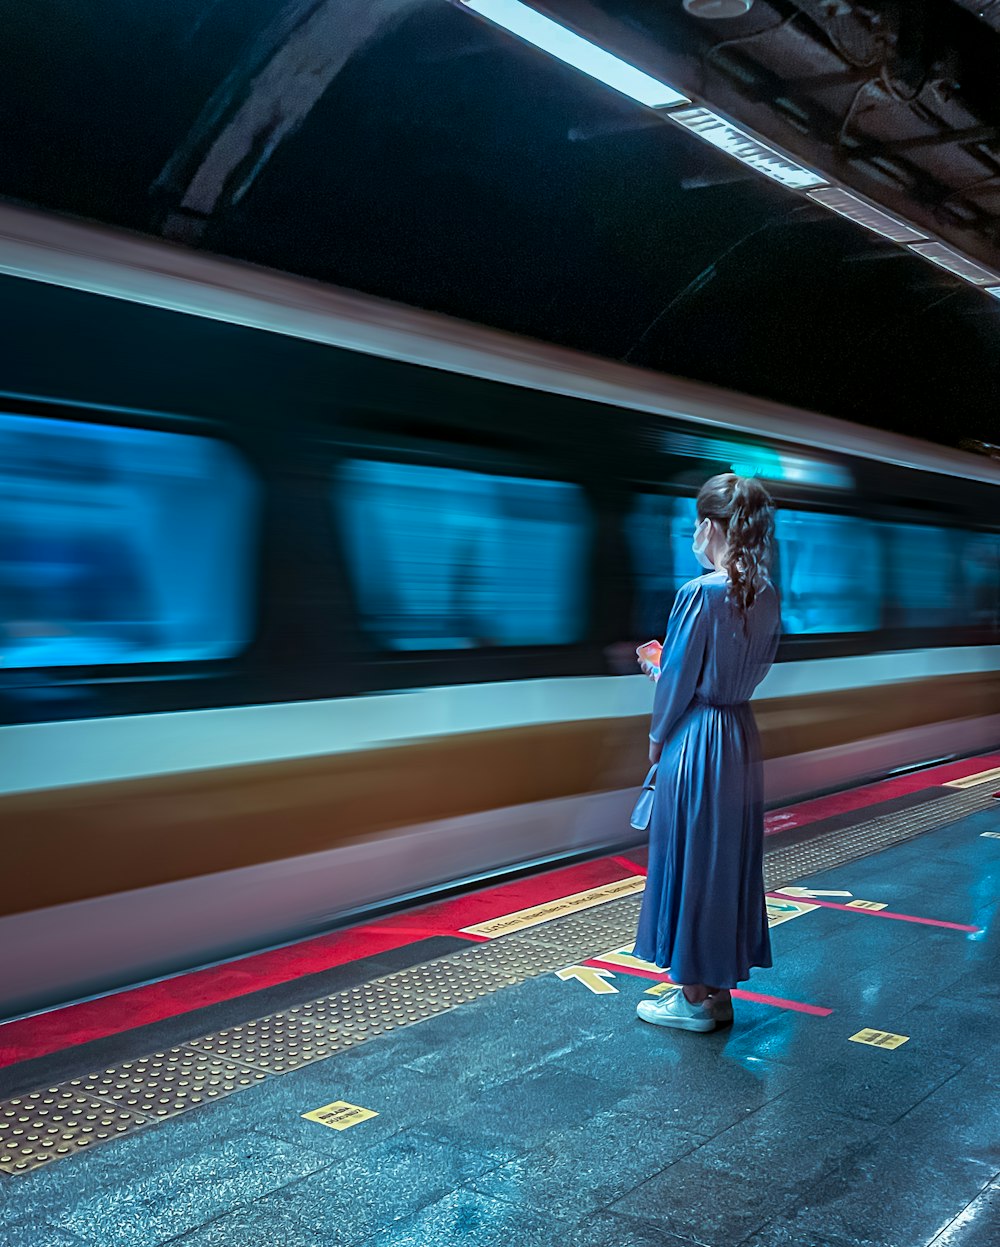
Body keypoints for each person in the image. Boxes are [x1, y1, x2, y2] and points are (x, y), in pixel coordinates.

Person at [633, 473, 780, 1033]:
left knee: (690, 860)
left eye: (700, 521)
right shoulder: (763, 592)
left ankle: (692, 998)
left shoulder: (700, 593)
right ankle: (716, 991)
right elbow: (751, 663)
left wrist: (655, 732)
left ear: (713, 526)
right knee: (723, 863)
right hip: (740, 736)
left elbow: (677, 683)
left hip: (696, 740)